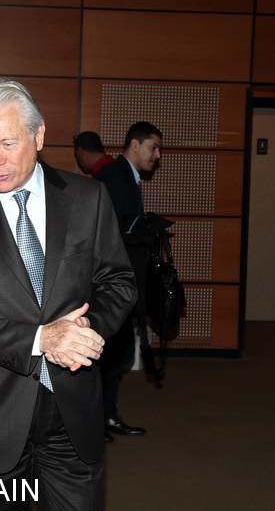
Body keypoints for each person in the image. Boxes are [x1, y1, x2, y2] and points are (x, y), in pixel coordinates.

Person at [0, 79, 137, 510]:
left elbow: (118, 281)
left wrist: (85, 332)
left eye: (7, 143)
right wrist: (43, 339)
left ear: (38, 135)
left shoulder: (88, 198)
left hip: (72, 405)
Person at [94, 121, 163, 441]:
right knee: (108, 355)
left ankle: (106, 416)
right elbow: (104, 230)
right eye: (153, 147)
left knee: (118, 355)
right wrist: (143, 229)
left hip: (125, 279)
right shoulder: (113, 176)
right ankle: (96, 420)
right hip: (110, 283)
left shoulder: (129, 177)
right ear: (134, 145)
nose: (157, 155)